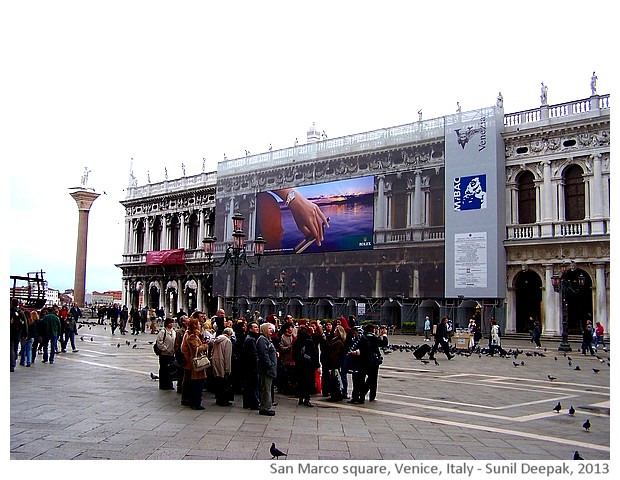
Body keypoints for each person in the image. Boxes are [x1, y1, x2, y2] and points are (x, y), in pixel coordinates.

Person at [180, 317, 210, 409]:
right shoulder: (192, 336)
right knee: (197, 383)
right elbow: (196, 348)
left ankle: (195, 401)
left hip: (194, 361)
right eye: (197, 324)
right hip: (196, 362)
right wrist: (205, 345)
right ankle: (195, 402)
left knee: (197, 383)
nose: (199, 325)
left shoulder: (195, 335)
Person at [292, 324, 320, 407]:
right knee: (308, 382)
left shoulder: (297, 341)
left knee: (300, 382)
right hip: (308, 366)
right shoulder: (309, 341)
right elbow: (314, 354)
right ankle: (306, 399)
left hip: (299, 365)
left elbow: (294, 354)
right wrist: (316, 364)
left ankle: (301, 398)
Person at [362, 324, 389, 402]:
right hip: (373, 361)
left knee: (368, 378)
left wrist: (378, 335)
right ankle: (369, 395)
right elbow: (384, 343)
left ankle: (363, 392)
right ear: (372, 330)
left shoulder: (365, 337)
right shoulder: (373, 338)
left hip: (365, 360)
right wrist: (384, 335)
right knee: (373, 379)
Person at [256, 322, 278, 415]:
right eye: (269, 328)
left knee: (267, 387)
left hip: (269, 368)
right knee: (266, 388)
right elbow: (263, 354)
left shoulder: (266, 340)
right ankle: (266, 407)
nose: (271, 330)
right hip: (266, 369)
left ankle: (265, 406)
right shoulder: (262, 340)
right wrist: (270, 364)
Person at [347, 326, 369, 404]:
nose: (354, 334)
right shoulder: (355, 340)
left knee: (361, 382)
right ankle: (355, 397)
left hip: (361, 364)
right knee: (355, 381)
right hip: (355, 364)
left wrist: (358, 352)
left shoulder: (364, 340)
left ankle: (361, 397)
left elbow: (367, 351)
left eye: (355, 333)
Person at [212, 327, 234, 406]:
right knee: (224, 382)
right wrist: (228, 369)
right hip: (222, 362)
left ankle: (218, 398)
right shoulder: (227, 341)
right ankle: (224, 400)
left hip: (215, 360)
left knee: (218, 380)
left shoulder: (216, 340)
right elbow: (227, 356)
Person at [241, 322, 260, 410]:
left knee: (248, 384)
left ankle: (247, 402)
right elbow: (253, 354)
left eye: (257, 327)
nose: (257, 328)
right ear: (250, 329)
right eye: (255, 327)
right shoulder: (251, 339)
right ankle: (254, 403)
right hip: (252, 366)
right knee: (253, 384)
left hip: (247, 365)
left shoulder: (249, 338)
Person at [326, 325, 346, 402]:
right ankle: (335, 394)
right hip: (335, 364)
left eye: (335, 331)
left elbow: (335, 355)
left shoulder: (338, 342)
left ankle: (336, 395)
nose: (334, 332)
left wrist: (332, 364)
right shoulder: (335, 340)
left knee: (335, 380)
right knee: (334, 379)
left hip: (335, 364)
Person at [155, 317, 176, 390]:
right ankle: (163, 384)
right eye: (170, 323)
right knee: (164, 369)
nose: (171, 324)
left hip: (171, 353)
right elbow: (159, 342)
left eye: (172, 323)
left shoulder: (173, 331)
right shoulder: (163, 332)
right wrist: (165, 348)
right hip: (164, 354)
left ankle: (170, 384)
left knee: (171, 369)